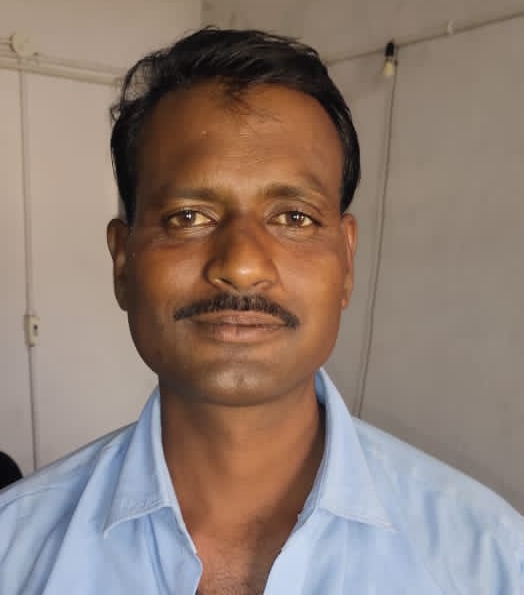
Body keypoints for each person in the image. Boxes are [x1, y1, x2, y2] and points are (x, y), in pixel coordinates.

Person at [0, 27, 523, 595]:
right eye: (188, 217)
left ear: (346, 261)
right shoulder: (15, 550)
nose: (243, 265)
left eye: (294, 217)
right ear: (123, 262)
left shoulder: (489, 560)